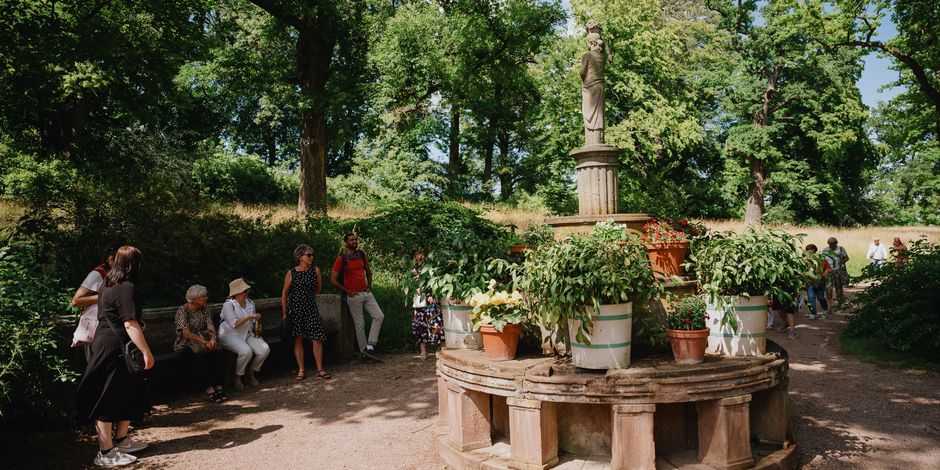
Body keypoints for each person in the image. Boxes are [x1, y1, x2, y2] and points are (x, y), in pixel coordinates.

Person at [75, 246, 154, 467]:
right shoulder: (127, 287)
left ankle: (121, 439)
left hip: (112, 343)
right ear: (135, 264)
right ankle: (105, 451)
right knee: (108, 395)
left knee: (127, 390)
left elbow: (119, 317)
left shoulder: (108, 286)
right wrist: (146, 352)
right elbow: (129, 323)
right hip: (115, 346)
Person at [331, 233, 384, 363]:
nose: (354, 241)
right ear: (346, 243)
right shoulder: (341, 259)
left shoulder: (361, 254)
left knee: (379, 316)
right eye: (351, 240)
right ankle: (365, 352)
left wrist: (370, 285)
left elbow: (368, 271)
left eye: (355, 239)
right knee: (359, 324)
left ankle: (370, 346)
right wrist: (347, 291)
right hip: (353, 295)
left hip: (365, 293)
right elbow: (333, 279)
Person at [281, 245, 330, 380]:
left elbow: (318, 289)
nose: (311, 257)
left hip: (310, 308)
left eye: (312, 255)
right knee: (298, 339)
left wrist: (307, 298)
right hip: (295, 309)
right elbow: (284, 294)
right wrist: (285, 313)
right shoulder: (292, 272)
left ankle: (320, 369)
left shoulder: (315, 271)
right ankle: (301, 370)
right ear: (300, 257)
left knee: (317, 338)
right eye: (309, 255)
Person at [174, 284, 227, 403]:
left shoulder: (205, 308)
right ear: (194, 299)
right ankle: (209, 388)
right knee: (199, 358)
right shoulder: (183, 311)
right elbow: (186, 333)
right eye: (203, 296)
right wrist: (204, 342)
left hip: (205, 340)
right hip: (186, 343)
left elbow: (210, 326)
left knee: (218, 353)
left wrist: (213, 338)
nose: (206, 298)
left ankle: (218, 385)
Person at [71, 240, 125, 352]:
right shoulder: (98, 274)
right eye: (113, 258)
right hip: (98, 333)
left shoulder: (119, 274)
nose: (117, 262)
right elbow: (76, 301)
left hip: (114, 331)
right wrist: (106, 297)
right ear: (108, 257)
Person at [219, 278, 270, 390]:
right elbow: (234, 324)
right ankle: (237, 377)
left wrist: (257, 326)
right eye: (244, 291)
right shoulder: (228, 305)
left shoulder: (250, 302)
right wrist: (249, 316)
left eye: (247, 291)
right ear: (236, 293)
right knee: (246, 351)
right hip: (230, 335)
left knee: (264, 349)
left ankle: (251, 373)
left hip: (247, 333)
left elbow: (252, 322)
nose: (247, 293)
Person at [411, 251, 443, 360]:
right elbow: (413, 286)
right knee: (421, 327)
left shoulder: (431, 270)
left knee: (435, 324)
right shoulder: (412, 271)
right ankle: (423, 351)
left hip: (430, 302)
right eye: (418, 257)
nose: (420, 259)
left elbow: (434, 284)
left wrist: (431, 295)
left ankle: (439, 348)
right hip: (419, 303)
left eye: (422, 257)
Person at [805, 244, 832, 320]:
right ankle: (813, 314)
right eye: (807, 249)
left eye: (811, 249)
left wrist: (826, 271)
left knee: (820, 297)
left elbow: (829, 268)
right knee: (811, 298)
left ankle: (825, 309)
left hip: (820, 281)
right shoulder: (805, 260)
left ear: (815, 250)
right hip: (810, 282)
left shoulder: (821, 259)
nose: (809, 251)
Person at [822, 237, 849, 304]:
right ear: (828, 244)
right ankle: (829, 304)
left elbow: (847, 258)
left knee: (839, 287)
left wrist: (842, 262)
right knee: (828, 288)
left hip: (838, 270)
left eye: (833, 244)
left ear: (836, 243)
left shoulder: (840, 249)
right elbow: (822, 260)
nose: (832, 245)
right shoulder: (825, 250)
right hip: (828, 271)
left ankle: (840, 302)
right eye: (830, 244)